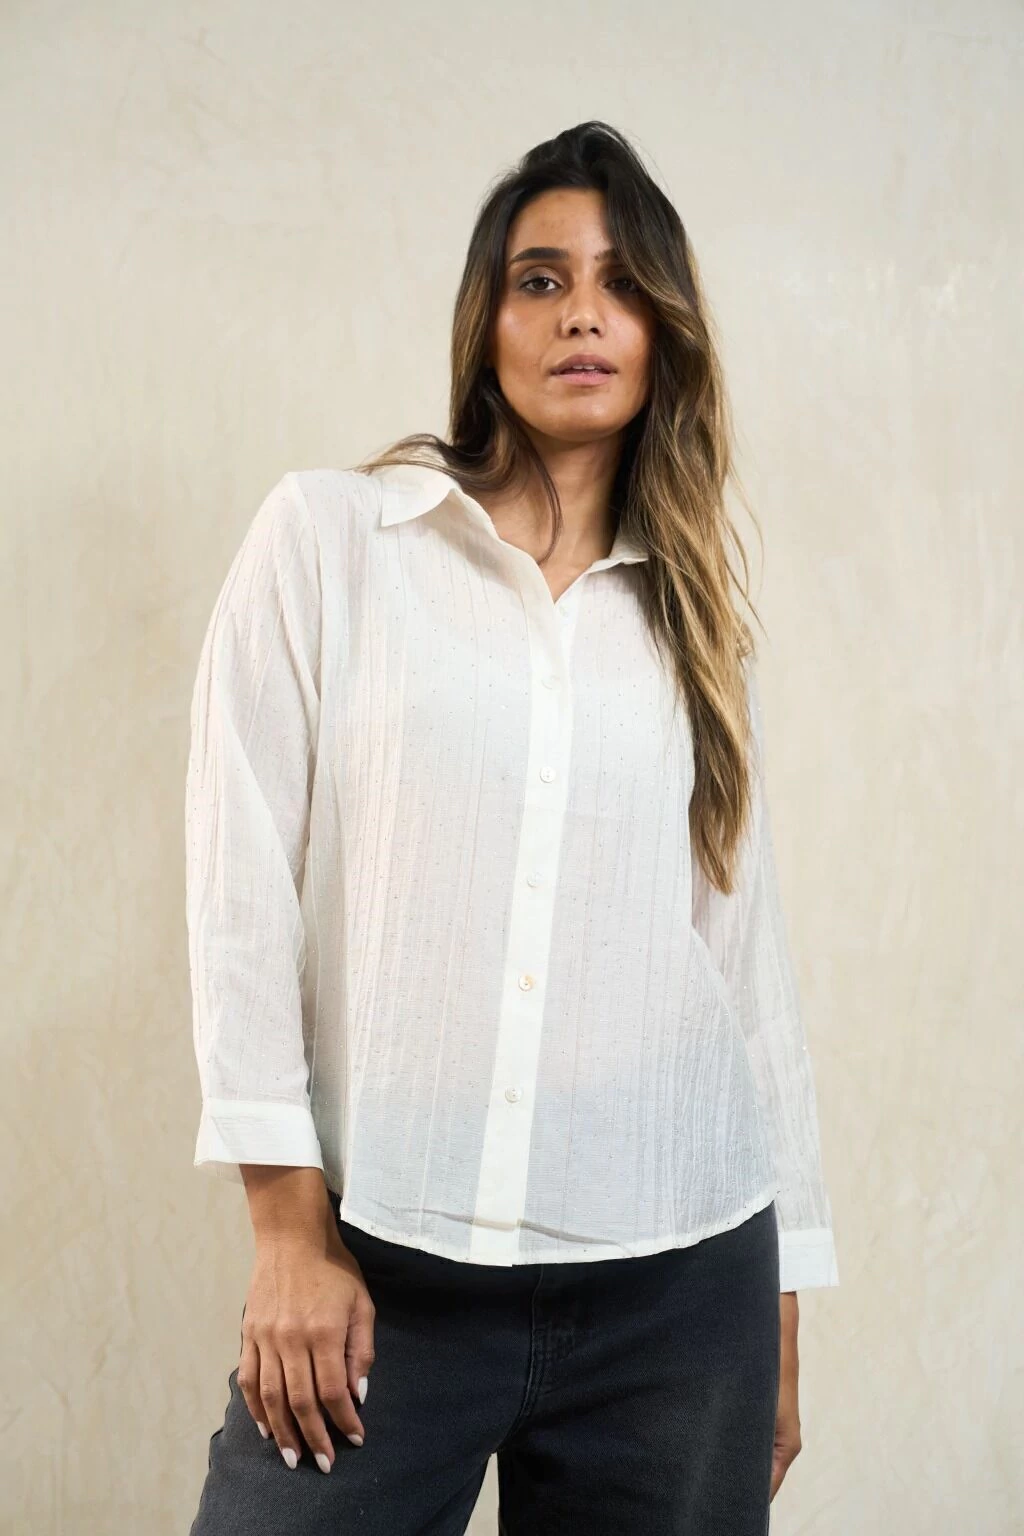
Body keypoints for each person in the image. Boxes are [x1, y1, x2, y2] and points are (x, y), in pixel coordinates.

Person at [184, 120, 839, 1536]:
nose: (582, 313)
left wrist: (783, 1297)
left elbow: (744, 968)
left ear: (664, 332)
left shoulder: (695, 631)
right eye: (541, 280)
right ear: (486, 324)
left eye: (621, 283)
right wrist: (287, 1229)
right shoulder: (333, 543)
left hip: (679, 1292)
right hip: (387, 1267)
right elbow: (237, 888)